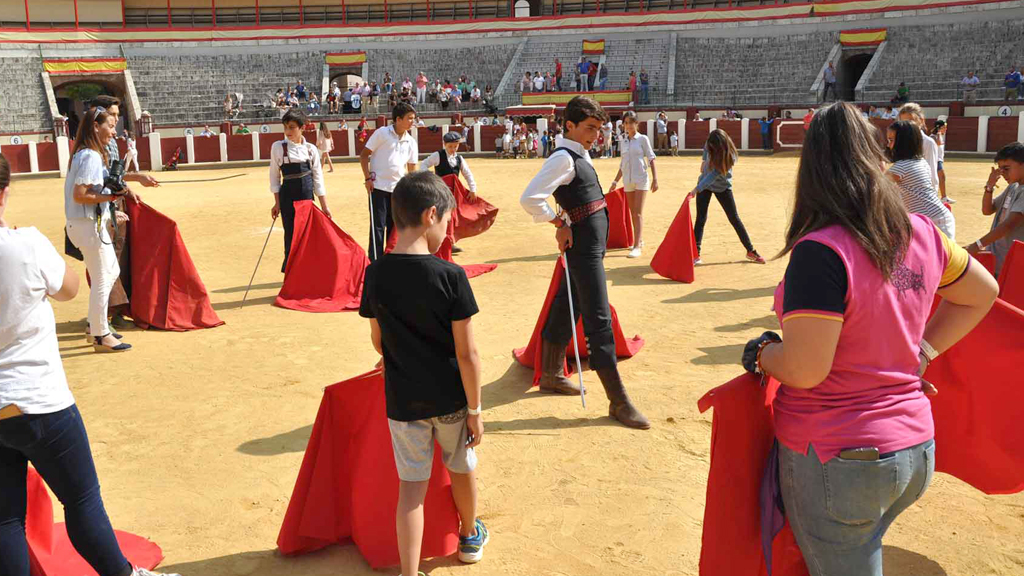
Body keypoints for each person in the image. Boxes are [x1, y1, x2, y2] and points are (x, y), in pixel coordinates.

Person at [742, 101, 998, 576]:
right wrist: (922, 352)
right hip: (915, 445)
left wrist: (762, 352)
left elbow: (804, 368)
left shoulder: (821, 250)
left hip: (841, 456)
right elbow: (983, 293)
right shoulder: (922, 231)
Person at [2, 153, 181, 576]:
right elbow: (66, 288)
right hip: (38, 398)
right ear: (5, 192)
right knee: (81, 499)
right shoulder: (23, 244)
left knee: (5, 518)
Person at [358, 171, 488, 576]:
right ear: (432, 214)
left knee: (411, 490)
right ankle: (469, 535)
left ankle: (409, 573)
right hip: (449, 399)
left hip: (403, 400)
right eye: (448, 220)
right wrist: (476, 408)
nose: (448, 228)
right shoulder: (451, 276)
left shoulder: (375, 273)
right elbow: (467, 354)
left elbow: (379, 343)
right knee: (461, 466)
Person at [519, 96, 649, 429]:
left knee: (568, 304)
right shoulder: (564, 158)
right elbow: (530, 197)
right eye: (589, 128)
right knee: (597, 316)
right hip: (584, 248)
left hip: (588, 245)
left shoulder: (577, 154)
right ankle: (618, 402)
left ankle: (549, 373)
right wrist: (559, 224)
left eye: (599, 128)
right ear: (570, 125)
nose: (595, 135)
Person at [63, 107, 137, 353]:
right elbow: (81, 194)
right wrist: (109, 197)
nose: (113, 132)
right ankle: (100, 334)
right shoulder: (90, 156)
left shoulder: (86, 154)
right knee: (104, 276)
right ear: (96, 127)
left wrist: (109, 200)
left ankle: (95, 326)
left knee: (108, 272)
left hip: (86, 224)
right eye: (110, 126)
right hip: (87, 225)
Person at [687, 129, 765, 264]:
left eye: (712, 147)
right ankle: (695, 253)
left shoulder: (730, 156)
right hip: (704, 184)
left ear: (720, 147)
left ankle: (750, 250)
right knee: (700, 219)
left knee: (734, 218)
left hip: (722, 187)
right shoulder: (710, 143)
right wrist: (704, 160)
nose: (709, 148)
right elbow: (706, 147)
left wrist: (696, 189)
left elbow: (712, 176)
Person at [269, 109, 332, 273]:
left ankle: (307, 273)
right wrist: (277, 203)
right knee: (290, 234)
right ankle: (291, 273)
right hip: (287, 197)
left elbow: (318, 179)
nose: (287, 131)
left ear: (302, 128)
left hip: (306, 197)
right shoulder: (278, 147)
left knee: (306, 236)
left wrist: (324, 206)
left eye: (291, 127)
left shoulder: (311, 150)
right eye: (285, 127)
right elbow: (274, 177)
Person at [361, 103, 419, 262]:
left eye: (413, 119)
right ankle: (375, 262)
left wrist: (410, 191)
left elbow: (412, 168)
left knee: (395, 228)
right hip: (378, 187)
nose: (412, 122)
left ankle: (392, 260)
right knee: (377, 227)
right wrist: (367, 178)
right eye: (409, 118)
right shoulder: (382, 133)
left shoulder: (411, 142)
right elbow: (364, 155)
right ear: (398, 119)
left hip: (398, 191)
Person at [885, 121, 955, 240]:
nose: (888, 145)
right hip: (936, 219)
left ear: (903, 143)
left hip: (935, 222)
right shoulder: (919, 161)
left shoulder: (901, 167)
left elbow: (876, 185)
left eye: (891, 140)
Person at [967, 142, 1024, 276]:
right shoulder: (1013, 187)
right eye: (1000, 169)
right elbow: (987, 210)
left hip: (1011, 264)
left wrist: (977, 245)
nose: (1002, 173)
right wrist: (989, 187)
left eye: (1006, 168)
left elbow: (1008, 226)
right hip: (997, 258)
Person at [608, 111, 658, 259]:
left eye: (631, 122)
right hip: (628, 180)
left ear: (636, 123)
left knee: (638, 213)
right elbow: (623, 164)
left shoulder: (642, 139)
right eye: (626, 123)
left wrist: (655, 179)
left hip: (641, 178)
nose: (628, 125)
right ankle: (639, 240)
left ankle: (636, 246)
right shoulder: (623, 141)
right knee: (632, 213)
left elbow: (651, 158)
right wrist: (615, 181)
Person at [421, 131, 478, 252]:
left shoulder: (459, 158)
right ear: (444, 144)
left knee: (451, 218)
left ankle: (449, 243)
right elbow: (424, 164)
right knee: (438, 216)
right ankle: (434, 242)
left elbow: (467, 174)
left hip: (453, 194)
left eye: (455, 146)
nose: (453, 149)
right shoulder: (438, 155)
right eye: (450, 146)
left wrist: (473, 189)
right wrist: (429, 177)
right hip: (439, 192)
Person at [898, 103, 940, 195]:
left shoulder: (928, 143)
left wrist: (932, 197)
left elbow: (932, 173)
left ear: (921, 121)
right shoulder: (899, 142)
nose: (907, 125)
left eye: (911, 121)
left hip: (922, 195)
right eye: (903, 122)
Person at [930, 120, 951, 203]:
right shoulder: (933, 136)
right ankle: (943, 197)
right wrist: (938, 133)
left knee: (940, 178)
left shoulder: (939, 136)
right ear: (939, 128)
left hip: (939, 160)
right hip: (935, 160)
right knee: (940, 178)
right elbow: (938, 143)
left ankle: (943, 197)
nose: (946, 129)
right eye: (944, 127)